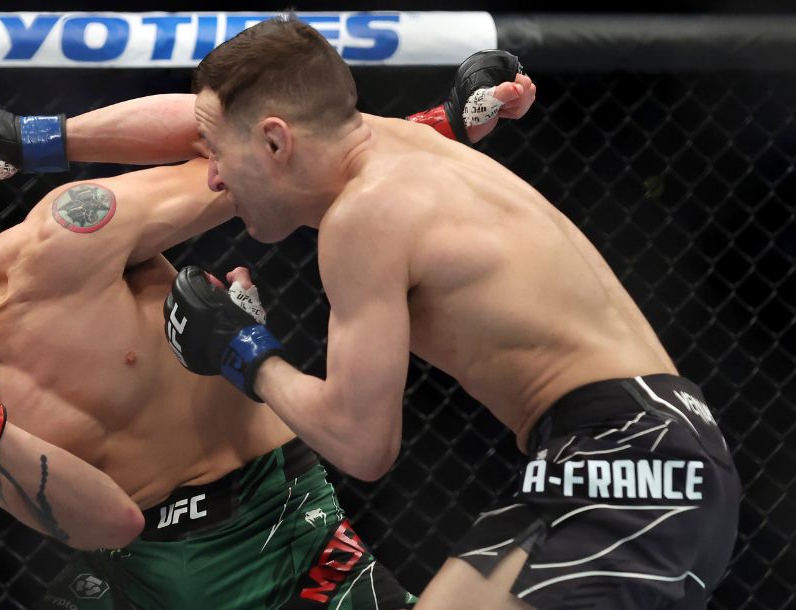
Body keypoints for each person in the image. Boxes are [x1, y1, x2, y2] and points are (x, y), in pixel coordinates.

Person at [0, 56, 528, 608]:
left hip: (280, 523)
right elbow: (109, 521)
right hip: (136, 576)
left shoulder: (59, 245)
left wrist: (431, 130)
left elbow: (223, 145)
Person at [146, 15, 740, 610]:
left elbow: (362, 444)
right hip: (652, 447)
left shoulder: (362, 217)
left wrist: (242, 349)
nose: (214, 178)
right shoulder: (405, 145)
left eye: (217, 153)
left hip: (624, 459)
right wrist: (53, 139)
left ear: (276, 141)